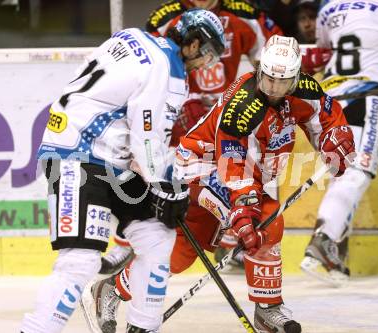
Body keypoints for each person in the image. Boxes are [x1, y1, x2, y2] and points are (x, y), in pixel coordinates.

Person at [83, 34, 355, 333]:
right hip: (200, 166)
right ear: (259, 69)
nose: (275, 89)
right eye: (269, 79)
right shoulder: (243, 108)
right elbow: (233, 164)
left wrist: (335, 139)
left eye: (283, 82)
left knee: (182, 252)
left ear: (296, 76)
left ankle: (112, 288)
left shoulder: (305, 89)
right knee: (266, 220)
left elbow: (327, 117)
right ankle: (268, 308)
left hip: (241, 173)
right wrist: (244, 208)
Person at [20, 8, 225, 333]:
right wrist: (166, 185)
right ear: (193, 43)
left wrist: (166, 185)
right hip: (77, 157)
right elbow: (146, 137)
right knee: (80, 261)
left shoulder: (133, 36)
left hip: (102, 157)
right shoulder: (166, 67)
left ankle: (143, 327)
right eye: (208, 54)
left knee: (158, 237)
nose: (206, 64)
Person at [100, 0, 283, 275]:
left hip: (226, 115)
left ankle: (230, 234)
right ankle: (126, 241)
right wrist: (185, 102)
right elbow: (153, 64)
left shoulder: (243, 14)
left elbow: (272, 58)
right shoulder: (168, 16)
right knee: (150, 166)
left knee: (235, 171)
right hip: (177, 110)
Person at [300, 0, 378, 286]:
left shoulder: (330, 7)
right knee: (357, 172)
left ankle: (335, 255)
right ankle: (325, 241)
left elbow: (325, 46)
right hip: (366, 98)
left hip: (330, 102)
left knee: (342, 176)